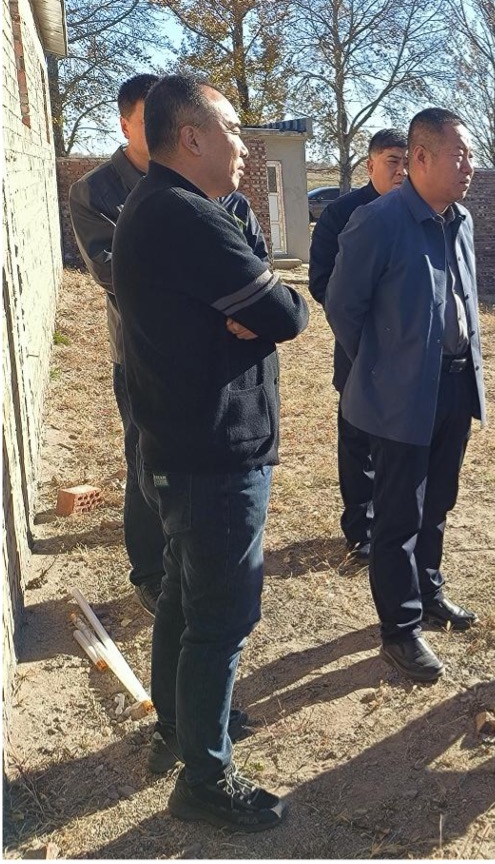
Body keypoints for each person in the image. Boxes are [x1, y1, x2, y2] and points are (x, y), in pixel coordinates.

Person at [112, 74, 308, 831]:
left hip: (181, 444)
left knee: (185, 597)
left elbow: (265, 301)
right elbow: (284, 312)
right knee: (220, 617)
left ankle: (178, 727)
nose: (243, 146)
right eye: (230, 129)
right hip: (212, 453)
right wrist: (269, 309)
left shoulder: (167, 206)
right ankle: (205, 778)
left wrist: (260, 305)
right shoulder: (184, 215)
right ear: (190, 137)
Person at [67, 74, 268, 615]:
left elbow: (257, 265)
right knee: (147, 461)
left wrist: (245, 299)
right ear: (127, 124)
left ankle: (189, 566)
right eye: (147, 113)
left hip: (219, 359)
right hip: (145, 353)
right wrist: (227, 298)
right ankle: (152, 572)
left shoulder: (217, 187)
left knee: (203, 473)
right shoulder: (97, 192)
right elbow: (114, 272)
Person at [324, 108, 486, 684]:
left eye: (471, 156)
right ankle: (399, 629)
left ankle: (428, 590)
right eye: (459, 155)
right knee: (398, 515)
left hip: (454, 383)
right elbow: (343, 307)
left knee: (438, 499)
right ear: (420, 157)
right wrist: (384, 366)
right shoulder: (377, 221)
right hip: (399, 395)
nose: (470, 167)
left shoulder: (460, 220)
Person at [308, 128, 409, 565]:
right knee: (357, 443)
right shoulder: (343, 214)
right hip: (358, 349)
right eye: (393, 161)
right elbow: (322, 283)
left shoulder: (423, 213)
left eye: (409, 162)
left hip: (411, 354)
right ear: (370, 165)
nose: (402, 171)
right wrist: (370, 327)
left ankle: (396, 524)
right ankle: (360, 529)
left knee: (402, 445)